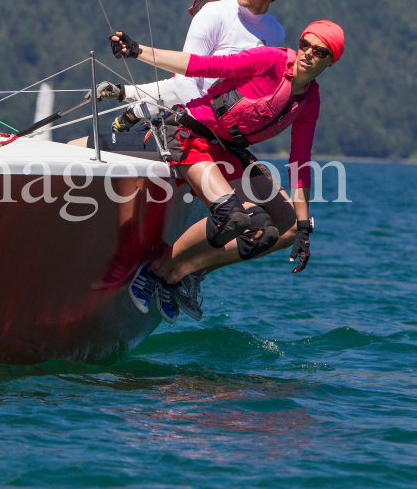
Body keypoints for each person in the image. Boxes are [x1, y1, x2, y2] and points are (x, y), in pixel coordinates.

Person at [106, 20, 345, 325]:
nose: (308, 54)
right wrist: (137, 51)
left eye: (319, 51)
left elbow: (299, 162)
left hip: (227, 149)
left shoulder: (309, 100)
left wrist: (303, 228)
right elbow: (201, 65)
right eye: (305, 45)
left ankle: (181, 273)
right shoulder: (270, 59)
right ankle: (155, 271)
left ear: (330, 61)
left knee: (285, 230)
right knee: (233, 218)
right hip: (189, 134)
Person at [104, 0, 293, 131]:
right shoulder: (214, 13)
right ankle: (135, 111)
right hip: (197, 124)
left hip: (232, 131)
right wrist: (206, 126)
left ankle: (134, 108)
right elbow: (183, 81)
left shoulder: (276, 33)